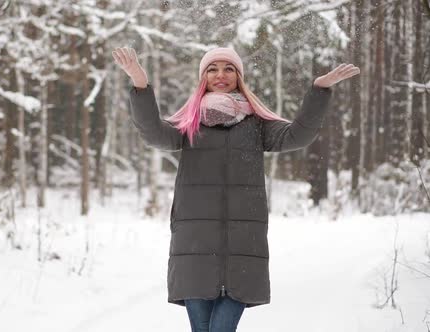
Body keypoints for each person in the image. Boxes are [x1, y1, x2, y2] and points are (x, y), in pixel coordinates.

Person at [112, 46, 359, 332]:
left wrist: (320, 89)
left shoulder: (256, 125)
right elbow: (153, 133)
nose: (221, 75)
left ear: (239, 76)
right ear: (203, 76)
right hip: (194, 245)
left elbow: (298, 135)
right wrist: (139, 83)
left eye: (228, 68)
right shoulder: (189, 124)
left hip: (244, 244)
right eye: (212, 69)